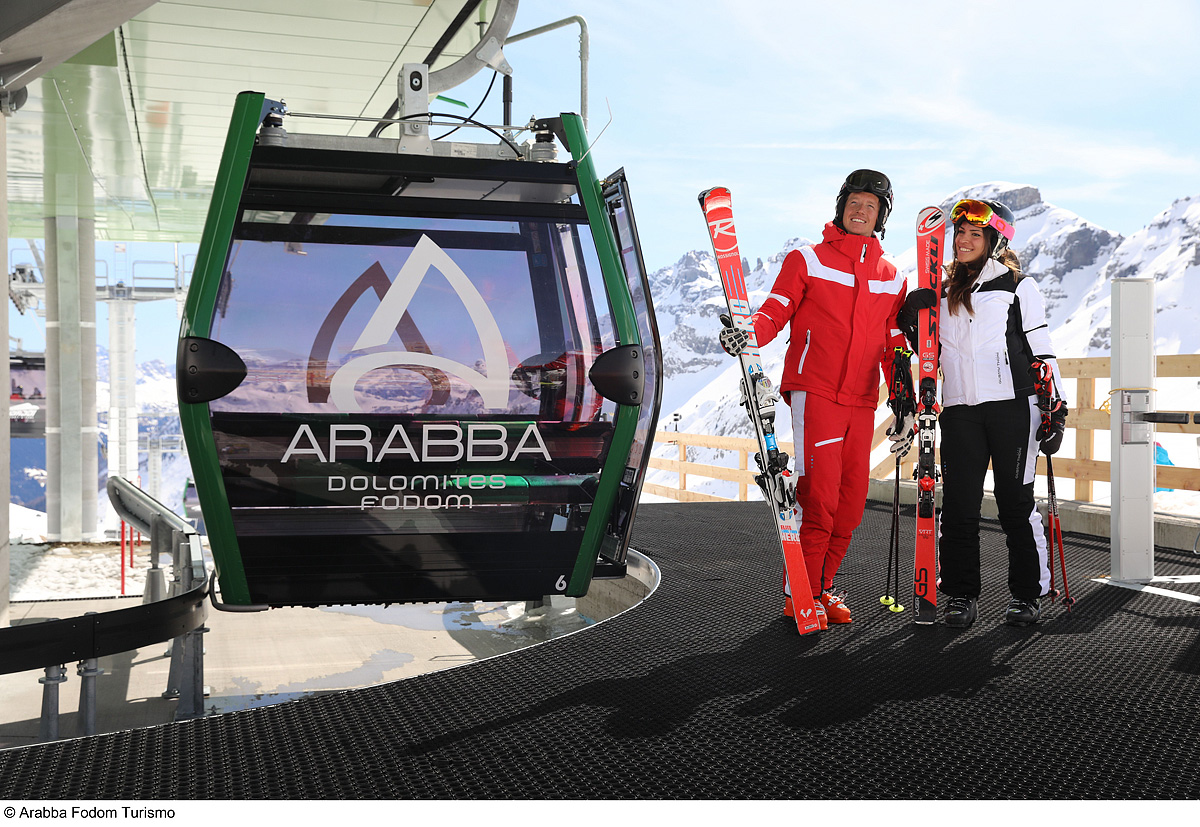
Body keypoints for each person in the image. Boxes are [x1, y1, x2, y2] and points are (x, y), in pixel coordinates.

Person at [720, 169, 913, 629]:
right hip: (817, 392)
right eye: (854, 202)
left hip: (861, 400)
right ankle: (799, 594)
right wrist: (749, 335)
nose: (860, 210)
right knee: (820, 498)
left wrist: (903, 402)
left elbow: (893, 346)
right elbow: (777, 309)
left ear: (881, 217)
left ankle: (821, 589)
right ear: (841, 207)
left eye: (870, 206)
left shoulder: (892, 278)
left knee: (851, 504)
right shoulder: (807, 259)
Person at [897, 198, 1067, 629]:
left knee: (1015, 505)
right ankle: (961, 594)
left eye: (976, 234)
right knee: (959, 506)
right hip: (959, 411)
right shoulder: (942, 291)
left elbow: (1041, 349)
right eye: (960, 233)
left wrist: (1057, 410)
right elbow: (930, 353)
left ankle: (1028, 595)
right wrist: (911, 318)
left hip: (1013, 409)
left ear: (995, 241)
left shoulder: (1017, 286)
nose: (964, 240)